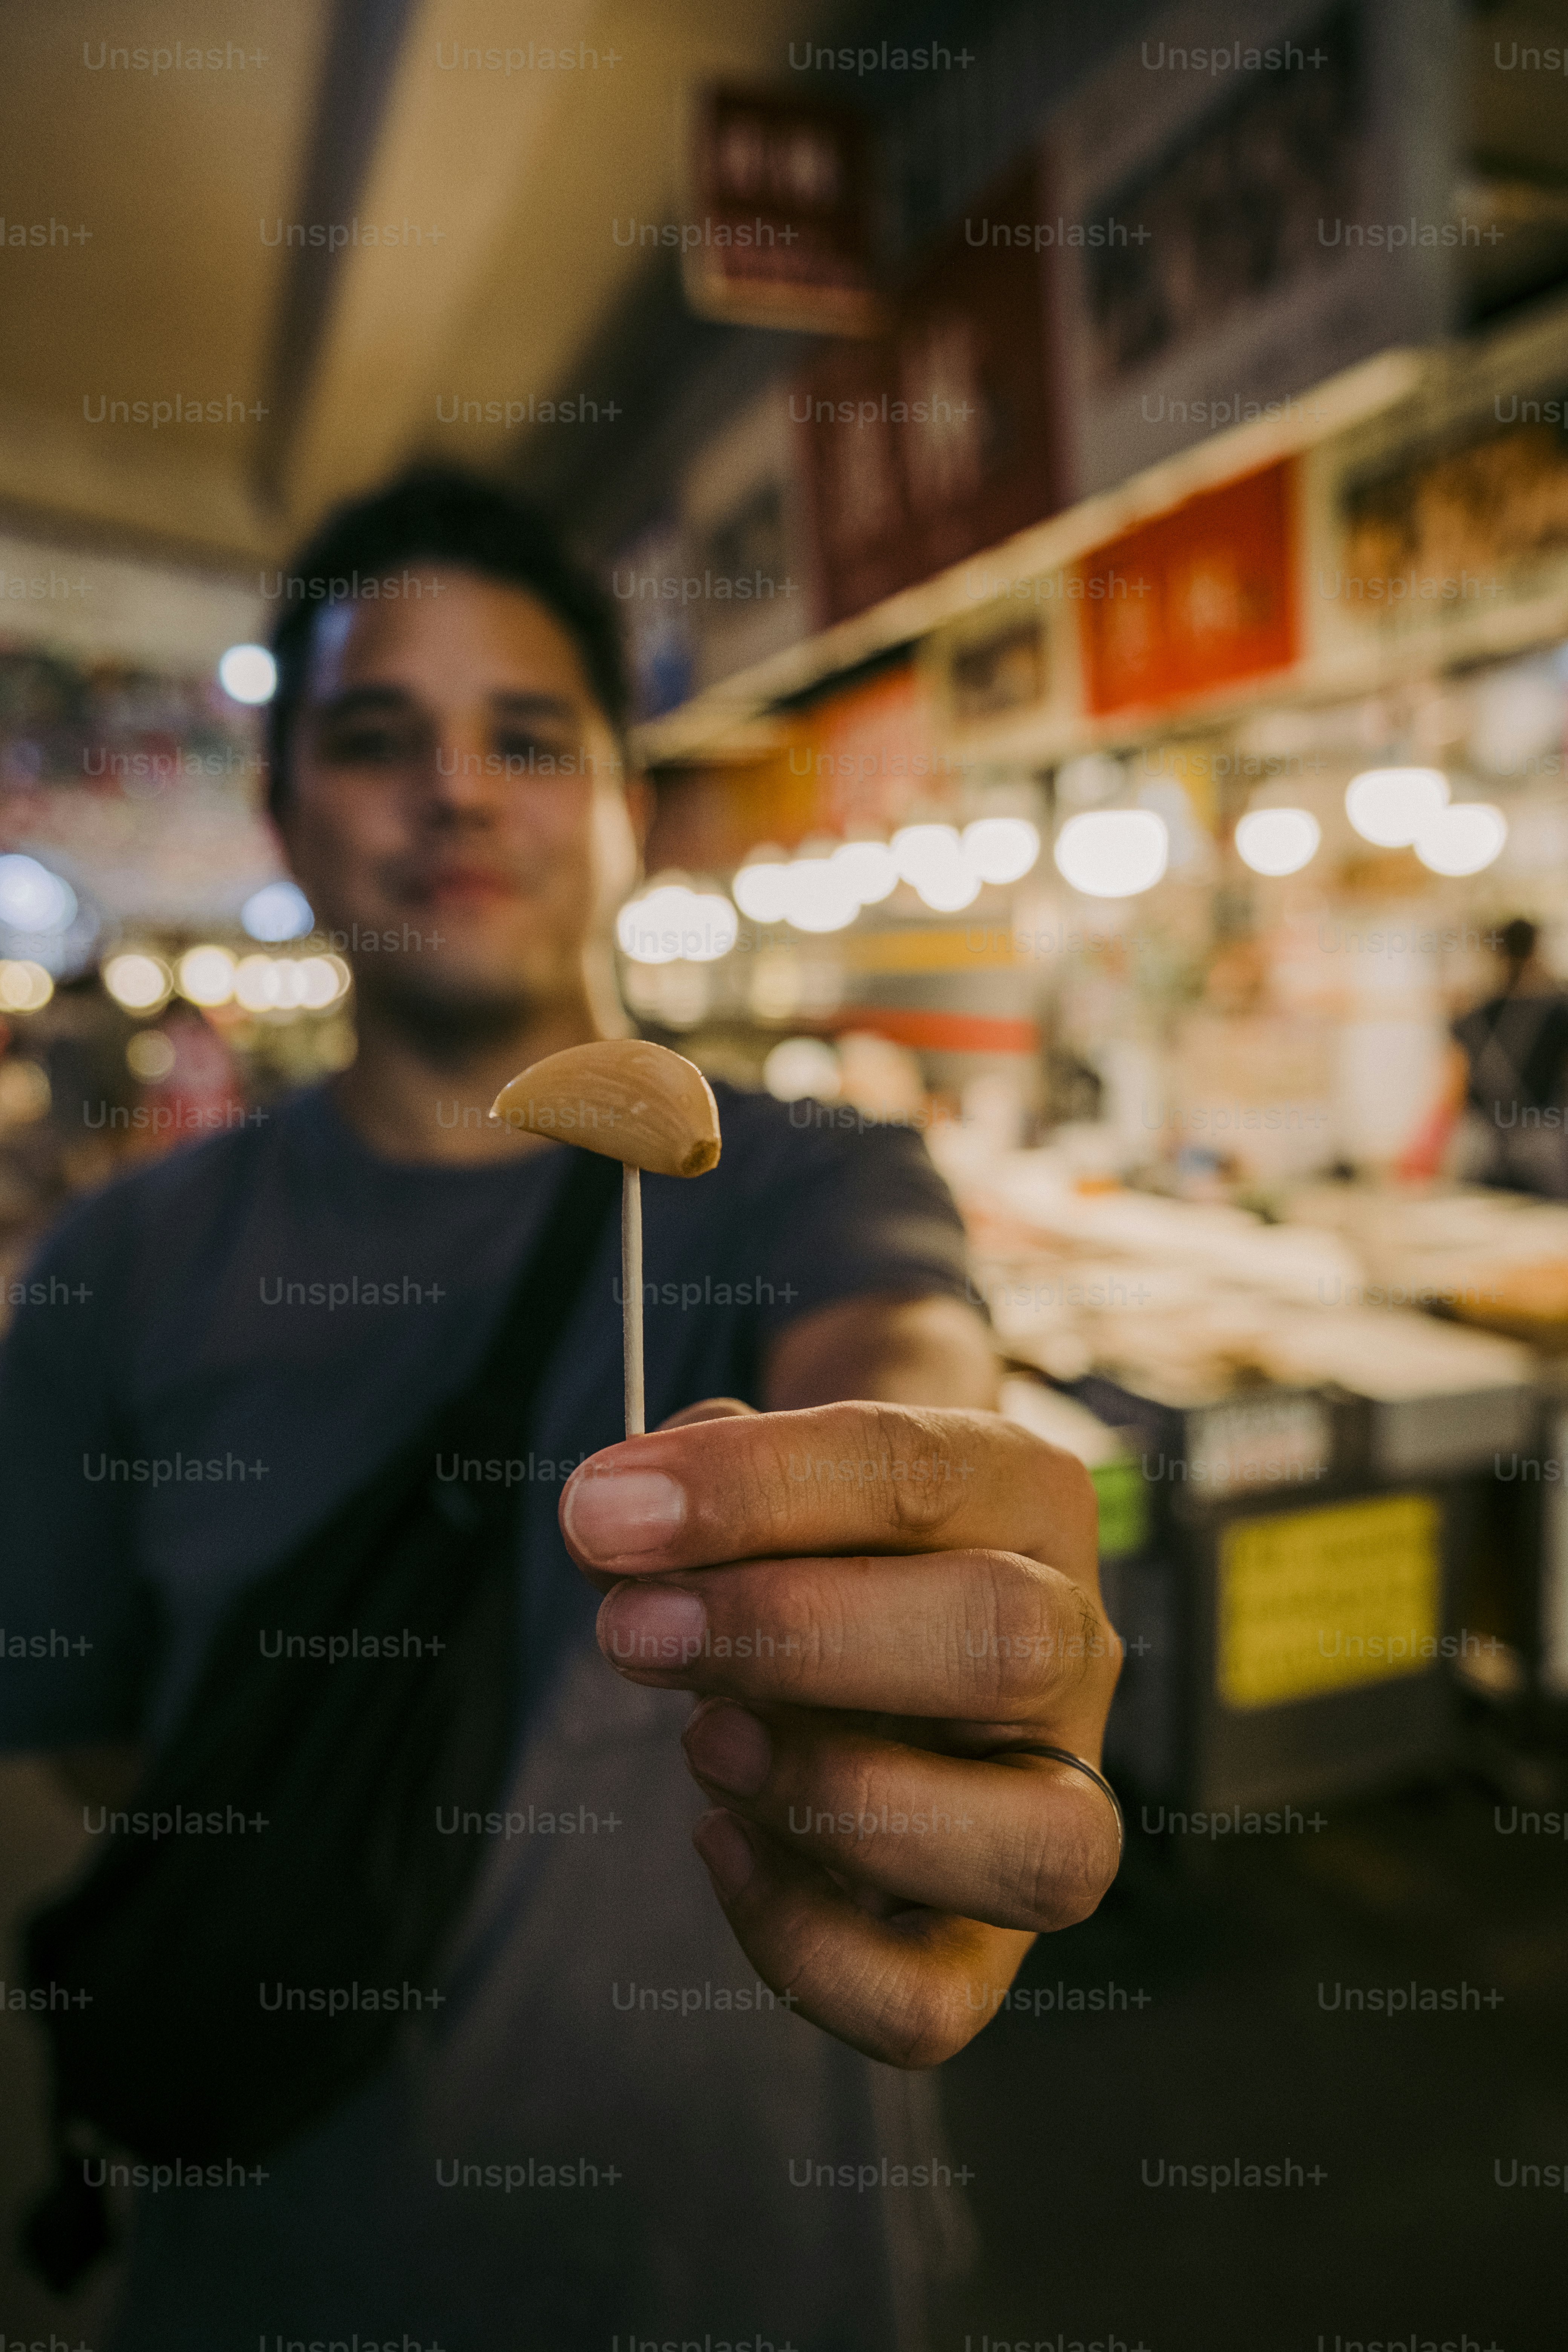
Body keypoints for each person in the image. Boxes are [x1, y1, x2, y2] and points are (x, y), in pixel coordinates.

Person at [0, 469, 1120, 2352]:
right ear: (281, 808)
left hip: (766, 2267)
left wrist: (956, 1591)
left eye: (526, 736)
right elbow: (106, 1752)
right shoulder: (116, 1268)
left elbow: (907, 1366)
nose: (453, 789)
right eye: (375, 738)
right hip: (277, 2259)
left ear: (625, 807)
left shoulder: (805, 1179)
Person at [1404, 918, 1568, 1193]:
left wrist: (1422, 1154)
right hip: (1548, 1153)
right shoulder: (1559, 1012)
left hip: (1487, 1151)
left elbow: (1450, 1095)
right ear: (1536, 948)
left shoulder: (1471, 1018)